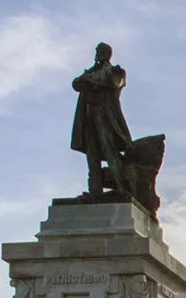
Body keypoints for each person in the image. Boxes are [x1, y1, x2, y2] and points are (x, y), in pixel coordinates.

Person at [71, 42, 132, 196]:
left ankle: (121, 187)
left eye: (101, 51)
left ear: (107, 54)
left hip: (106, 117)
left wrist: (91, 81)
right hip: (88, 116)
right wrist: (86, 79)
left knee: (108, 149)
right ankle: (95, 191)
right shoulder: (90, 72)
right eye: (97, 51)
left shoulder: (116, 71)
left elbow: (115, 82)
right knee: (92, 154)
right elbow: (76, 84)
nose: (98, 54)